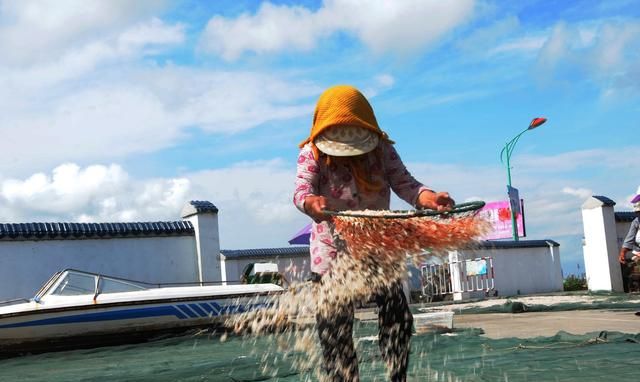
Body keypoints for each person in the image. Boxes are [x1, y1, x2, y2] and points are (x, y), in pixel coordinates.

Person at [293, 85, 454, 381]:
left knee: (398, 318)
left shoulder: (382, 150)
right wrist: (311, 202)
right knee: (335, 331)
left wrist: (429, 198)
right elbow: (301, 190)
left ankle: (397, 375)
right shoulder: (311, 153)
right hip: (332, 259)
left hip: (378, 251)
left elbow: (407, 184)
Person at [618, 188, 640, 293]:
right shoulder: (636, 222)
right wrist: (623, 252)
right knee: (630, 276)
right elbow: (629, 238)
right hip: (638, 254)